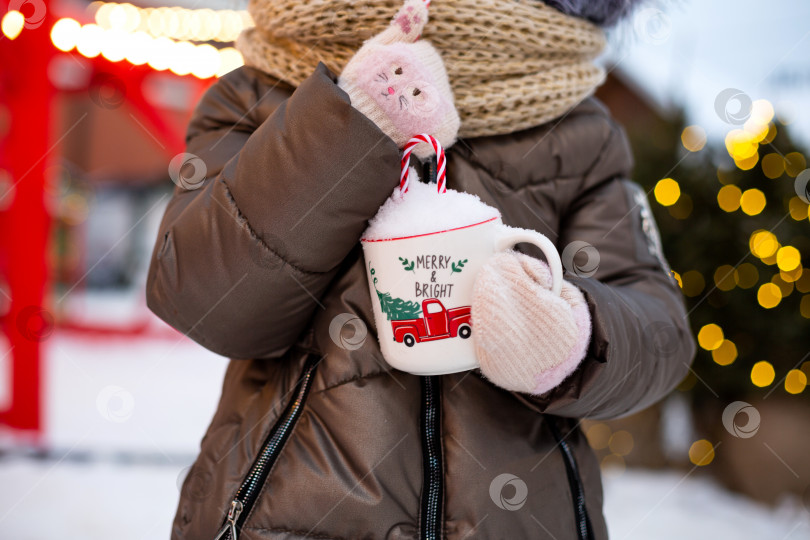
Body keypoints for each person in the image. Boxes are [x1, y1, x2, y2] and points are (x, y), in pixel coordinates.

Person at [147, 1, 696, 538]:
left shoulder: (577, 127)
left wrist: (577, 337)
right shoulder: (258, 91)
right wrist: (352, 119)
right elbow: (207, 302)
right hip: (286, 513)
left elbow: (660, 331)